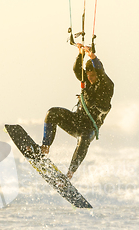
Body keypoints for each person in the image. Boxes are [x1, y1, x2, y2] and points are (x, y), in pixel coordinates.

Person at [40, 44, 114, 180]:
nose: (90, 79)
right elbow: (76, 69)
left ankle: (69, 174)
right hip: (77, 121)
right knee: (52, 113)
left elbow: (101, 72)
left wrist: (92, 56)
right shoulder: (86, 80)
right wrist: (81, 54)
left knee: (83, 140)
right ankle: (44, 147)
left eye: (93, 76)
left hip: (89, 128)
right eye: (88, 75)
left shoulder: (107, 86)